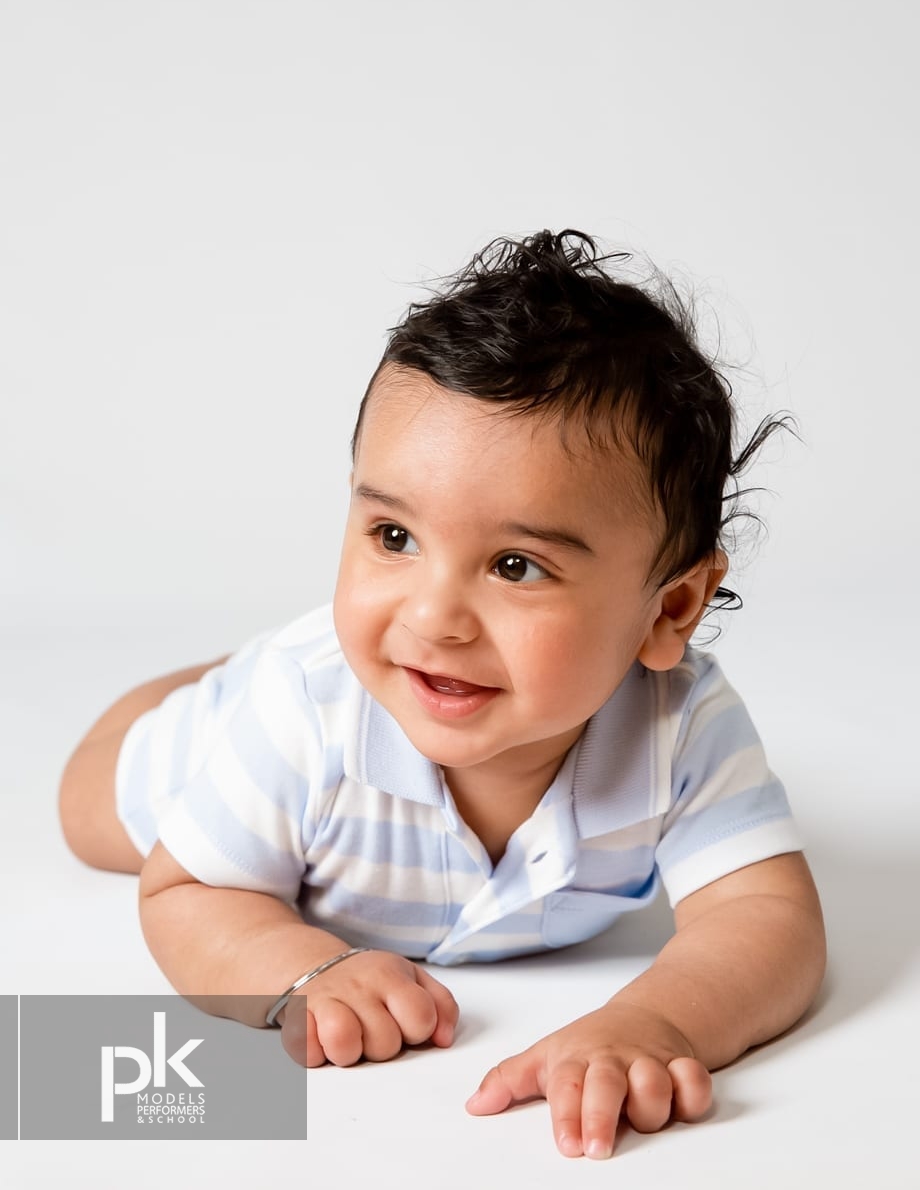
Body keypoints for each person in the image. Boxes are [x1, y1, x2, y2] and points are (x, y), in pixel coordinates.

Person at [58, 228, 825, 1160]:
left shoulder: (683, 722)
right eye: (394, 537)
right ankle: (213, 679)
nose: (433, 616)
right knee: (87, 811)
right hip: (223, 737)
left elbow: (768, 920)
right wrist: (303, 968)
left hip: (328, 689)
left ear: (670, 610)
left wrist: (657, 1020)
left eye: (515, 565)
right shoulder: (304, 712)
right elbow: (187, 888)